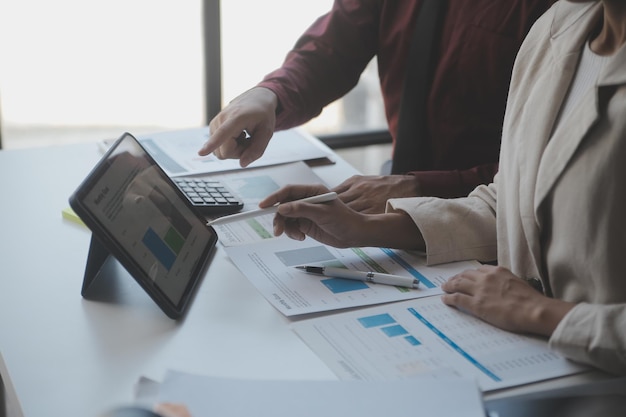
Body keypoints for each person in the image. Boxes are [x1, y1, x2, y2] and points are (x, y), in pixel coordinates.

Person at [258, 0, 626, 375]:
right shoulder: (561, 25)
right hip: (523, 360)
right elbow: (515, 201)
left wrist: (545, 314)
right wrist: (365, 228)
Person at [198, 0, 555, 213]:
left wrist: (420, 188)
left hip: (495, 223)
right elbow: (336, 46)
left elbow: (554, 168)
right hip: (392, 199)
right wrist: (269, 96)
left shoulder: (562, 13)